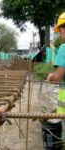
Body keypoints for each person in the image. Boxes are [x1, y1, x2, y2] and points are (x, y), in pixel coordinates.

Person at [47, 12, 65, 149]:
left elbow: (58, 77)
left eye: (60, 29)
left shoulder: (64, 48)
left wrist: (50, 76)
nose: (59, 33)